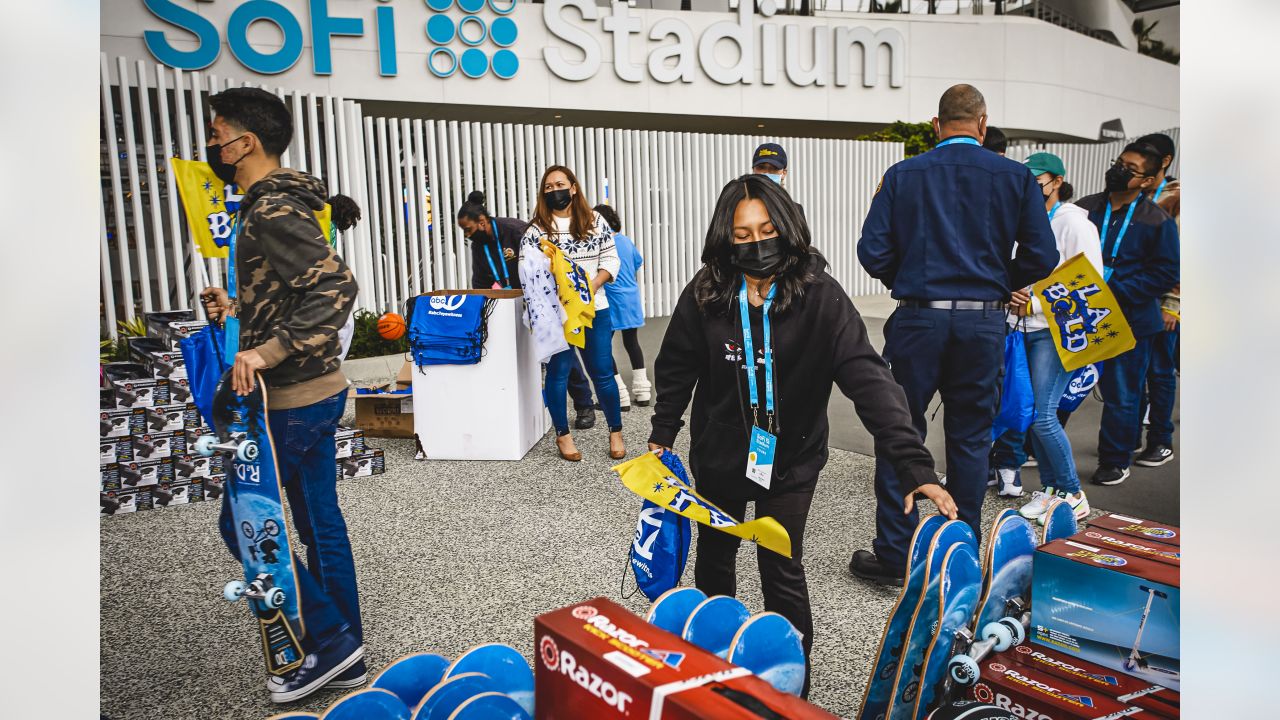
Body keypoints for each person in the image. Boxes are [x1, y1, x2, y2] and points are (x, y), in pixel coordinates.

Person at [648, 174, 951, 697]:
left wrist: (913, 463)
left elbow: (870, 378)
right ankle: (711, 669)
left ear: (787, 227)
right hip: (719, 454)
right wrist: (662, 434)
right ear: (725, 237)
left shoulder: (820, 297)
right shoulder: (707, 291)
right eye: (741, 235)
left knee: (780, 565)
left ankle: (791, 683)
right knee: (715, 559)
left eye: (766, 229)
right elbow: (677, 365)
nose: (755, 243)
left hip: (790, 460)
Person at [851, 84, 1058, 585]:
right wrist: (995, 282)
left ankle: (896, 555)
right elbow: (1043, 255)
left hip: (919, 318)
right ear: (983, 126)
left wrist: (914, 277)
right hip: (982, 323)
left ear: (937, 125)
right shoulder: (1015, 176)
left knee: (902, 431)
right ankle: (959, 554)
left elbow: (871, 250)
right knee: (969, 440)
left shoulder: (902, 175)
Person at [197, 87, 364, 702]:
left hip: (291, 396)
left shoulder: (269, 210)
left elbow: (334, 288)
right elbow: (291, 291)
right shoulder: (276, 204)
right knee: (320, 521)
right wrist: (239, 309)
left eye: (218, 135)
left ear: (248, 141)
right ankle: (345, 649)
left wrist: (264, 352)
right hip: (311, 389)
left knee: (244, 525)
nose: (212, 145)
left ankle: (329, 640)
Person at [995, 153, 1101, 521]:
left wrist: (1035, 304)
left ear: (1056, 181)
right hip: (1024, 329)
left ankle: (1072, 491)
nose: (1030, 187)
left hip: (1055, 332)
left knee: (1042, 416)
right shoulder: (1023, 218)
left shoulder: (1073, 224)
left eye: (1037, 180)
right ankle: (1054, 490)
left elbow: (1090, 284)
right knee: (1033, 414)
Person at [1074, 141, 1179, 486]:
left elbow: (1167, 273)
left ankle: (1115, 460)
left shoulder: (1156, 221)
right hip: (1081, 315)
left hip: (1131, 320)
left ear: (1148, 181)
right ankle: (1031, 447)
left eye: (1130, 169)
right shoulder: (1085, 209)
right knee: (1062, 387)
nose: (1119, 171)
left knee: (1122, 394)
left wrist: (1116, 291)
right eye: (1119, 163)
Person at [458, 190, 599, 429]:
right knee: (527, 356)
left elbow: (544, 258)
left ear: (481, 222)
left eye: (469, 229)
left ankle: (584, 404)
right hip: (512, 304)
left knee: (559, 351)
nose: (467, 235)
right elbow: (480, 282)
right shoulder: (478, 247)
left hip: (542, 299)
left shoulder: (515, 230)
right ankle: (529, 410)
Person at [520, 165, 624, 461]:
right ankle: (563, 436)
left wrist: (589, 287)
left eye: (560, 184)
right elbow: (528, 273)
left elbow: (611, 258)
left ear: (574, 188)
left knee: (602, 373)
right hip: (557, 315)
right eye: (548, 187)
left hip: (595, 309)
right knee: (558, 374)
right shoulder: (536, 231)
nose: (555, 190)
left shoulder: (595, 220)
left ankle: (615, 431)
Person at [1133, 132, 1180, 468]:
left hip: (1163, 302)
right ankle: (1128, 436)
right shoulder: (1135, 195)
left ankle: (1161, 439)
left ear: (1164, 161)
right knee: (1135, 375)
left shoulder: (1178, 197)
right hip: (1135, 301)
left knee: (1160, 372)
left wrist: (1173, 304)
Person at [594, 203, 650, 410]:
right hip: (631, 298)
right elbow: (637, 263)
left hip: (612, 300)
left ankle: (619, 397)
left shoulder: (604, 244)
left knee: (603, 348)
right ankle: (643, 392)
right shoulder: (626, 241)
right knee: (632, 343)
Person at [327, 193, 360, 361]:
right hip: (326, 289)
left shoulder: (322, 224)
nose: (350, 224)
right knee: (346, 324)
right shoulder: (328, 227)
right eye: (351, 219)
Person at [751, 142, 805, 218]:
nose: (766, 172)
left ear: (783, 173)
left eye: (774, 168)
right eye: (761, 167)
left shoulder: (794, 210)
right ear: (753, 170)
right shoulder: (739, 207)